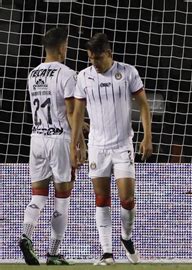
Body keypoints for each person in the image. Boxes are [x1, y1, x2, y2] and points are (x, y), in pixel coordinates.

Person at [70, 33, 153, 266]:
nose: (93, 63)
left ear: (109, 54)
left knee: (127, 199)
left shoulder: (127, 73)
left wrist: (147, 137)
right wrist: (75, 144)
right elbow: (77, 113)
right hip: (98, 146)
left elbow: (144, 105)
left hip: (122, 145)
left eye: (97, 58)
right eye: (90, 58)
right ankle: (107, 252)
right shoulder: (84, 77)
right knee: (101, 198)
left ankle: (126, 237)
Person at [20, 27, 85, 265]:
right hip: (59, 140)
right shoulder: (67, 74)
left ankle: (26, 235)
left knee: (37, 195)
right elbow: (70, 112)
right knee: (62, 198)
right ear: (61, 47)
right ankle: (54, 253)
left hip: (37, 137)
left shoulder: (32, 74)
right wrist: (80, 142)